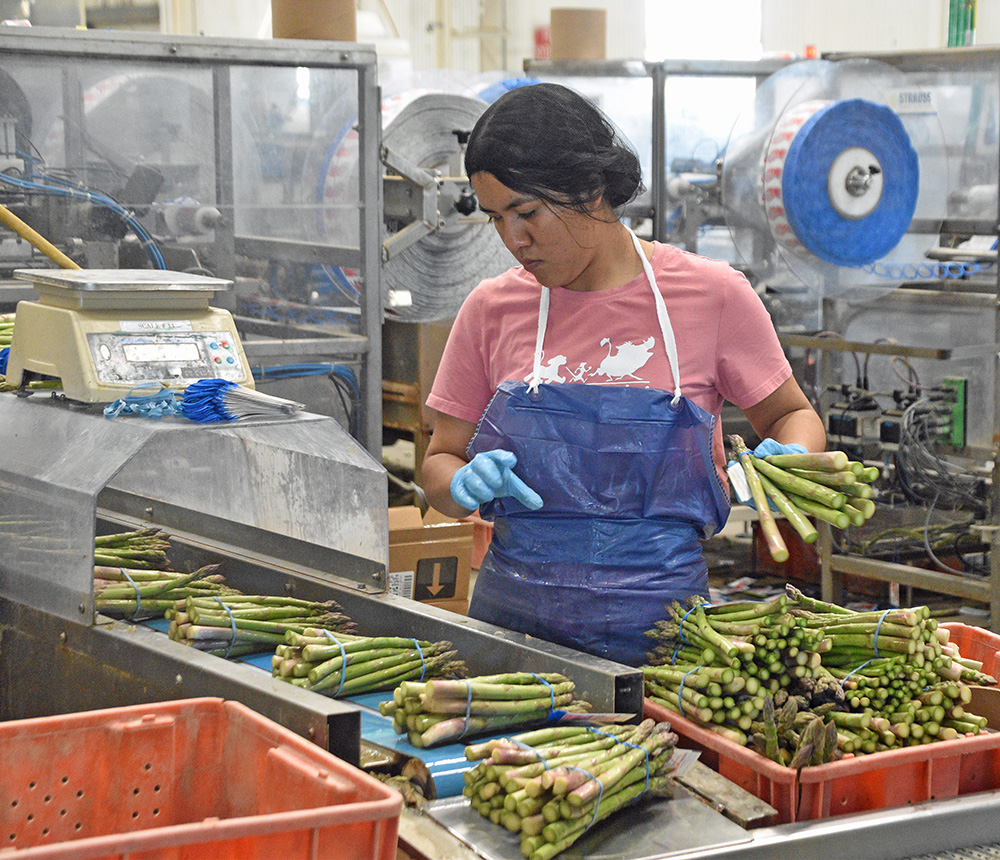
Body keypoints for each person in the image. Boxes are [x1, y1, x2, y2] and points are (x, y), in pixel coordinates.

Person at [422, 82, 826, 667]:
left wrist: (788, 463)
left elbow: (794, 416)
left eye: (528, 212)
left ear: (590, 190)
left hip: (665, 641)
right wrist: (459, 486)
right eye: (496, 219)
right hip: (511, 644)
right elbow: (439, 460)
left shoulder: (711, 295)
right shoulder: (491, 309)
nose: (514, 240)